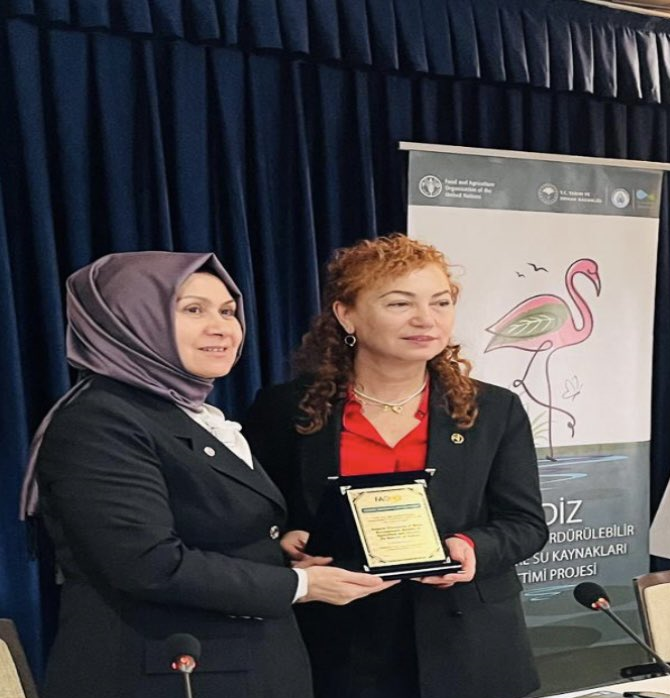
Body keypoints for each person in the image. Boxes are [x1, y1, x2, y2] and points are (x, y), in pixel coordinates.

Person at [21, 251, 393, 698]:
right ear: (130, 320)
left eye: (228, 311)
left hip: (238, 669)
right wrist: (300, 585)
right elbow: (148, 564)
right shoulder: (101, 420)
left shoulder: (186, 413)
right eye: (193, 310)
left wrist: (277, 554)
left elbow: (205, 532)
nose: (221, 327)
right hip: (160, 678)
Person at [244, 235, 549, 698]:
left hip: (468, 643)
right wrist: (282, 542)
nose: (426, 319)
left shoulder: (494, 410)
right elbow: (252, 517)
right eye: (400, 303)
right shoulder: (286, 408)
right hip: (336, 643)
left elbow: (525, 524)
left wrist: (472, 547)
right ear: (347, 315)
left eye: (440, 302)